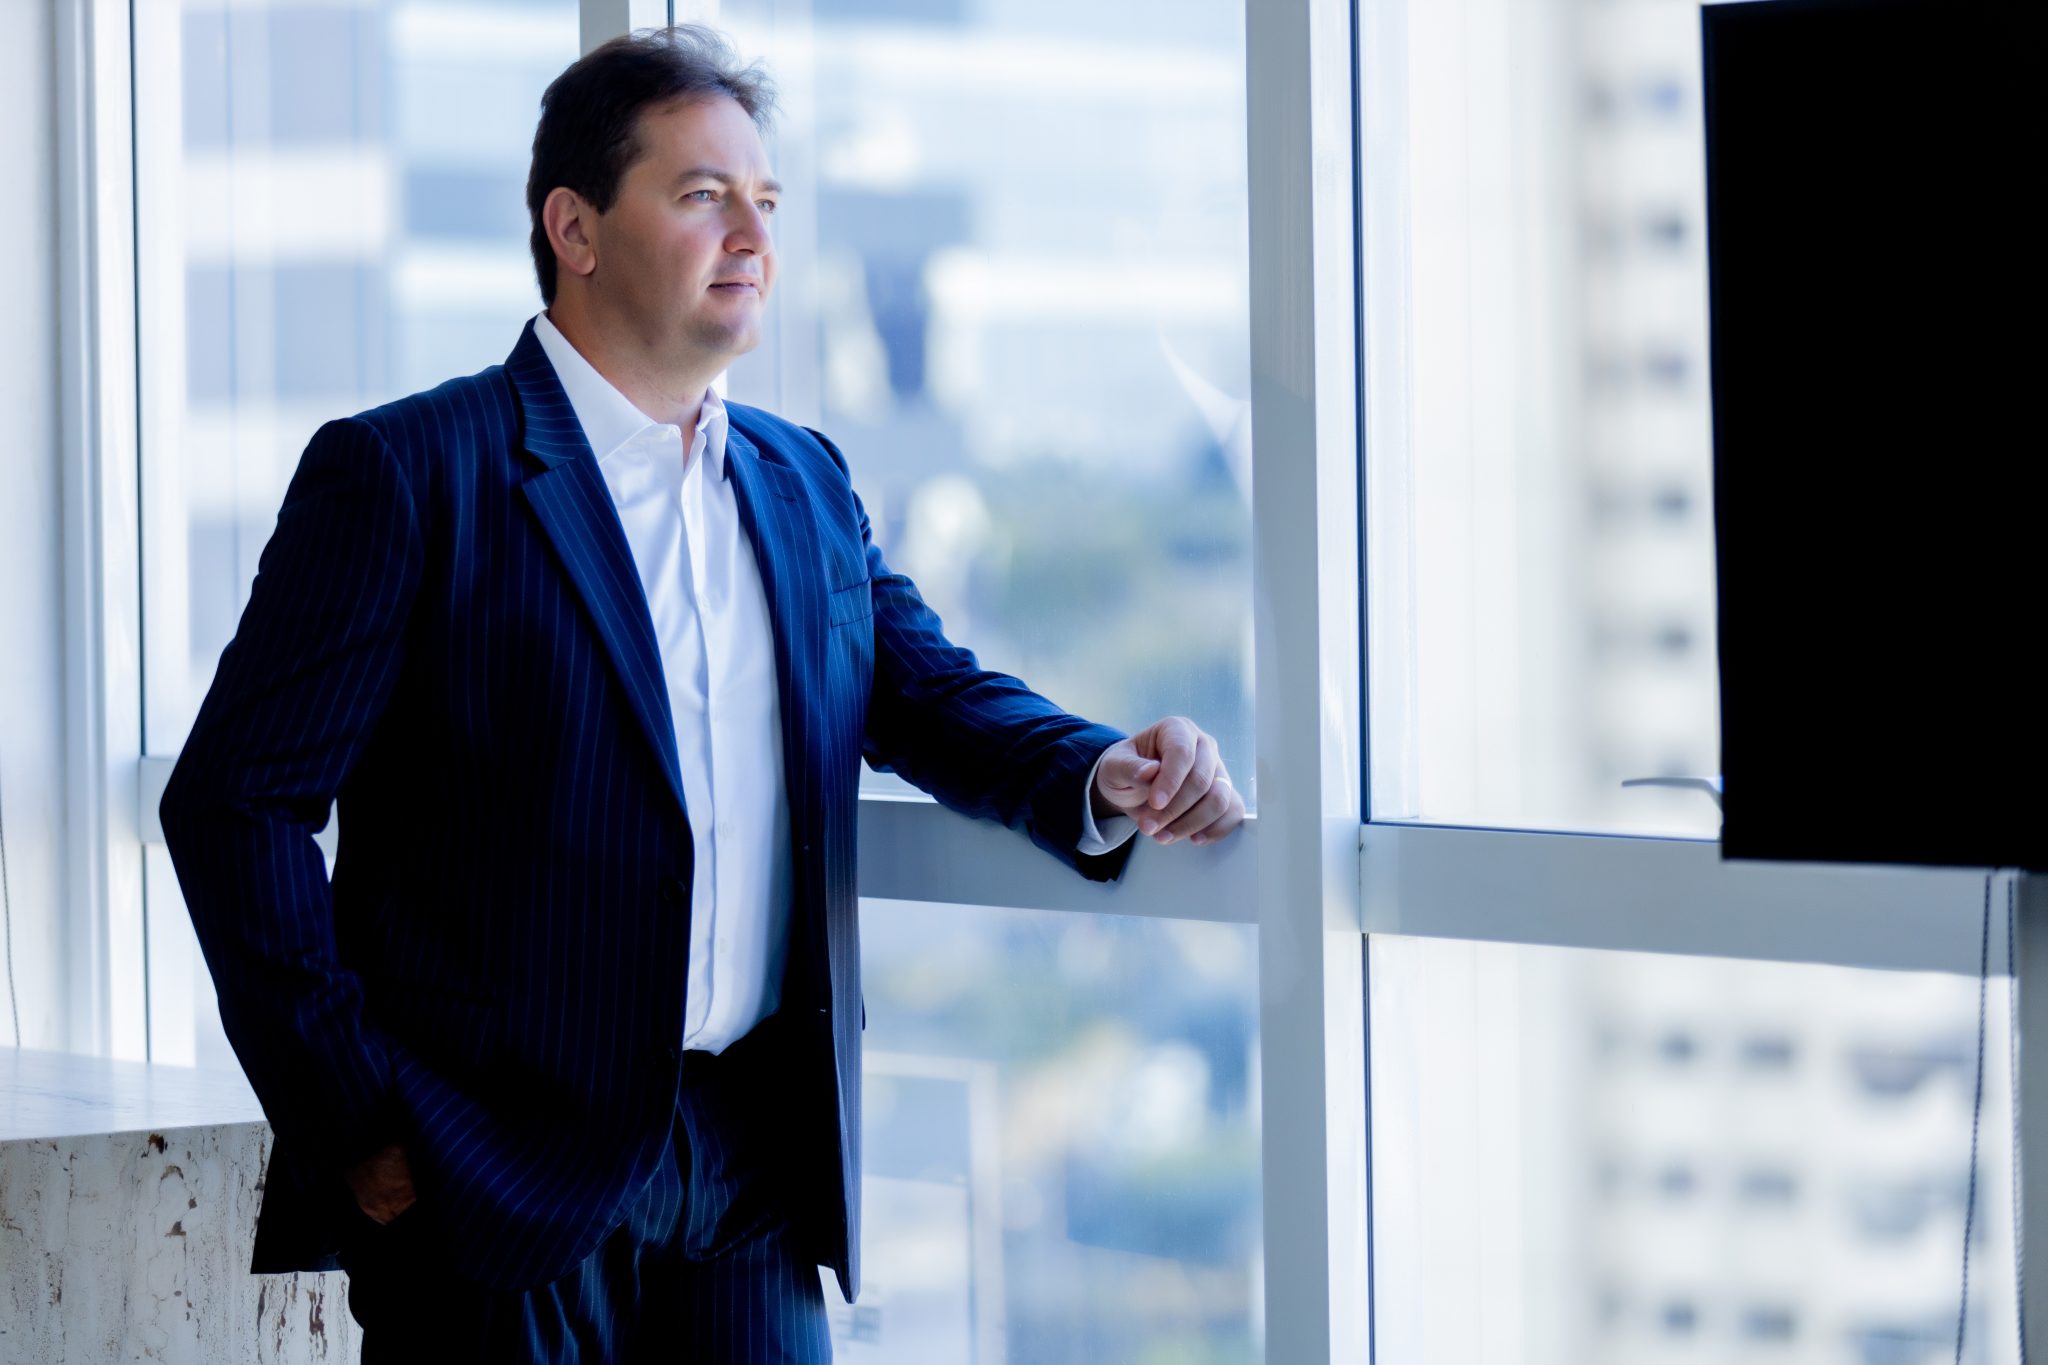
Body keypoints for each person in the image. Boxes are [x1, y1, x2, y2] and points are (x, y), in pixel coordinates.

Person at [159, 23, 1243, 1363]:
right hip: (492, 1164)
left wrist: (1100, 771)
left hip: (751, 1162)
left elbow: (923, 690)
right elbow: (236, 802)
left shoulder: (802, 479)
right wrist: (356, 1114)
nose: (754, 236)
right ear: (575, 228)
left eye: (766, 200)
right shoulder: (410, 476)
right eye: (703, 194)